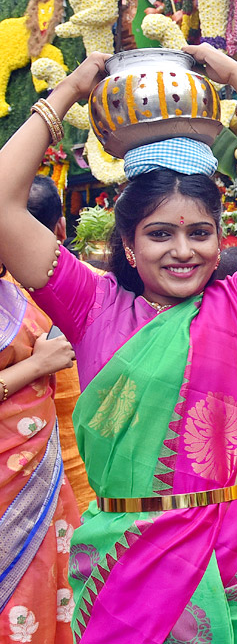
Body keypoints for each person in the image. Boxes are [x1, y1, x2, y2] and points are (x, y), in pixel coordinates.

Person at [0, 46, 237, 642]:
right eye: (160, 234)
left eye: (200, 233)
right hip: (128, 560)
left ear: (222, 237)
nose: (183, 250)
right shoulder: (93, 308)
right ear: (128, 242)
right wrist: (67, 91)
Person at [1, 262, 80, 642]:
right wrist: (37, 365)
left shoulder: (15, 284)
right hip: (7, 475)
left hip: (40, 469)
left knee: (45, 581)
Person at [27, 173, 95, 511]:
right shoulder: (104, 289)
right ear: (62, 228)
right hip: (98, 485)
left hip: (20, 487)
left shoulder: (9, 299)